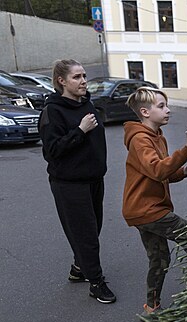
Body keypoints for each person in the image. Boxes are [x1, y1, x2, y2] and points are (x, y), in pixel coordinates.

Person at [122, 86, 187, 316]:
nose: (168, 110)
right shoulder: (140, 139)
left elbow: (162, 173)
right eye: (161, 106)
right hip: (147, 210)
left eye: (166, 105)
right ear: (145, 112)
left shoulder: (157, 137)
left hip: (144, 210)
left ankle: (152, 307)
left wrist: (183, 172)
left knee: (159, 259)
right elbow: (158, 170)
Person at [39, 59, 116, 304]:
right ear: (62, 81)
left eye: (84, 76)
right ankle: (96, 282)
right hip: (70, 184)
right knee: (86, 235)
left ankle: (79, 269)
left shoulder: (87, 104)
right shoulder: (53, 111)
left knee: (93, 230)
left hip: (94, 179)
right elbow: (51, 151)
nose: (83, 81)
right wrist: (80, 131)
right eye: (77, 77)